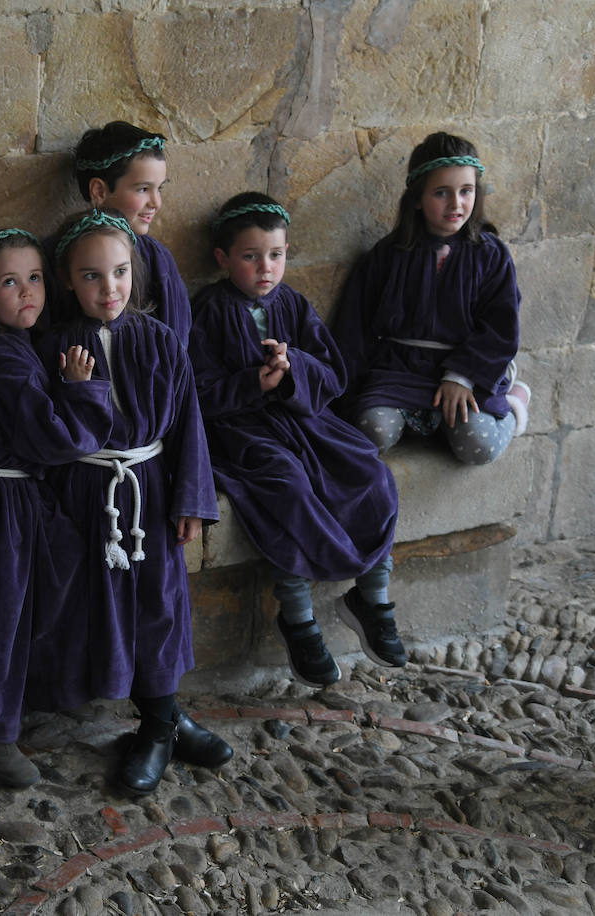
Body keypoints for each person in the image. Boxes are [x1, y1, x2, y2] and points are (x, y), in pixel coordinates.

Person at [37, 208, 230, 795]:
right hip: (87, 493)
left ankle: (160, 725)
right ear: (67, 280)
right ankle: (163, 723)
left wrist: (191, 499)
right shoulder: (53, 347)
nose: (109, 288)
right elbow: (50, 431)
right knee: (103, 607)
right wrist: (78, 390)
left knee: (159, 604)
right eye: (91, 276)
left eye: (119, 271)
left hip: (150, 489)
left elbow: (188, 422)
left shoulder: (160, 340)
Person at [189, 193, 405, 689]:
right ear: (223, 258)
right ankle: (298, 617)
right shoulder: (209, 311)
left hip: (304, 420)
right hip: (244, 430)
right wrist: (252, 383)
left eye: (276, 255)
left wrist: (293, 370)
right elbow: (196, 392)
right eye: (250, 256)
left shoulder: (293, 304)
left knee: (369, 471)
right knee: (285, 485)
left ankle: (372, 596)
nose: (265, 267)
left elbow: (333, 374)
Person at [0, 228, 111, 787]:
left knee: (48, 585)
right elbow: (51, 436)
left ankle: (30, 697)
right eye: (9, 282)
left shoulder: (23, 344)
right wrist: (80, 390)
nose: (27, 291)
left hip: (18, 495)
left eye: (34, 278)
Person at [332, 132, 530, 464]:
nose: (456, 204)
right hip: (399, 372)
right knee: (372, 432)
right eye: (441, 193)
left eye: (466, 191)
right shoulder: (387, 255)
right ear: (416, 198)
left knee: (477, 445)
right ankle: (428, 421)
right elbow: (354, 328)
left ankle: (515, 402)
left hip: (468, 375)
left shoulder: (491, 256)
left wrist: (461, 376)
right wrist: (345, 392)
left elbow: (501, 328)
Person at [71, 121, 193, 347]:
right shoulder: (66, 254)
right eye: (143, 189)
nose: (156, 202)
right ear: (99, 191)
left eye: (159, 188)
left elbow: (177, 342)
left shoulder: (157, 259)